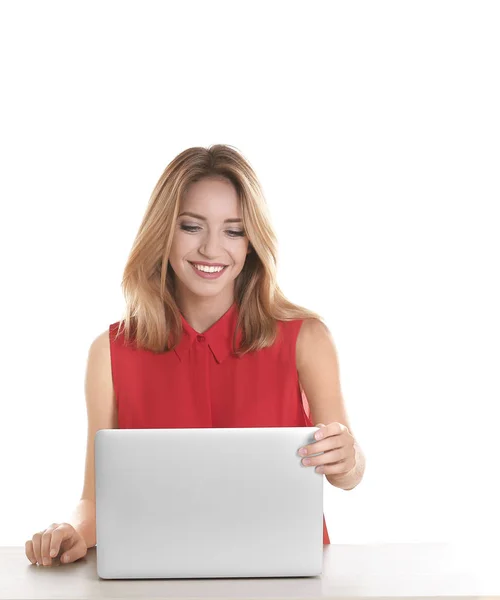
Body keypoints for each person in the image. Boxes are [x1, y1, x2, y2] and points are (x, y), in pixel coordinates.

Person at [25, 144, 366, 566]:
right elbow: (95, 500)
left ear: (251, 243)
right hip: (155, 580)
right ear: (163, 231)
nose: (211, 249)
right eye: (191, 226)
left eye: (233, 230)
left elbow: (345, 473)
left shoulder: (306, 338)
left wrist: (348, 458)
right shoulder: (110, 353)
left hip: (285, 579)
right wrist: (70, 530)